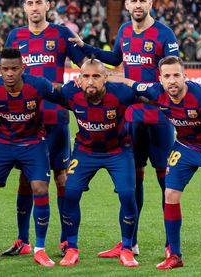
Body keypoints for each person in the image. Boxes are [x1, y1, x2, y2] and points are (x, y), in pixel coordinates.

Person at [74, 0, 179, 257]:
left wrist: (137, 85)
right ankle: (129, 243)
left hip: (159, 119)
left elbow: (172, 74)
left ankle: (171, 245)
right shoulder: (123, 31)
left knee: (166, 185)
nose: (137, 6)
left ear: (151, 3)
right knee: (134, 183)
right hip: (131, 118)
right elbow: (115, 58)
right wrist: (87, 47)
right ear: (127, 4)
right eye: (133, 1)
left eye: (143, 1)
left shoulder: (164, 34)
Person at [110, 56, 201, 272]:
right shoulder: (154, 91)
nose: (172, 81)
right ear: (160, 79)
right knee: (170, 194)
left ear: (184, 76)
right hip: (185, 147)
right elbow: (129, 82)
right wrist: (105, 76)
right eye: (167, 76)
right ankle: (175, 255)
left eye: (176, 75)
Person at [3, 0, 87, 257]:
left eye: (39, 2)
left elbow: (85, 64)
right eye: (30, 3)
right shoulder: (15, 36)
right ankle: (22, 240)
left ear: (47, 5)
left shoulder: (61, 34)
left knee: (62, 178)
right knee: (26, 179)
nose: (35, 7)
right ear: (25, 7)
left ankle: (65, 239)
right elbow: (7, 72)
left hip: (56, 118)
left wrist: (81, 76)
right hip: (25, 121)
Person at [0, 48, 63, 267]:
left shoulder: (37, 85)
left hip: (33, 142)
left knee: (40, 188)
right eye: (5, 69)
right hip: (2, 143)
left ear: (22, 69)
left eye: (14, 69)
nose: (9, 73)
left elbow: (64, 97)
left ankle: (39, 249)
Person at [57, 59, 140, 267]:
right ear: (79, 79)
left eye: (96, 76)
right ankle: (72, 247)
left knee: (128, 194)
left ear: (105, 78)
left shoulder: (121, 93)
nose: (90, 81)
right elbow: (46, 90)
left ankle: (127, 248)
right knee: (71, 192)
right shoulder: (70, 93)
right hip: (85, 151)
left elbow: (154, 97)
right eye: (85, 76)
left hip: (119, 151)